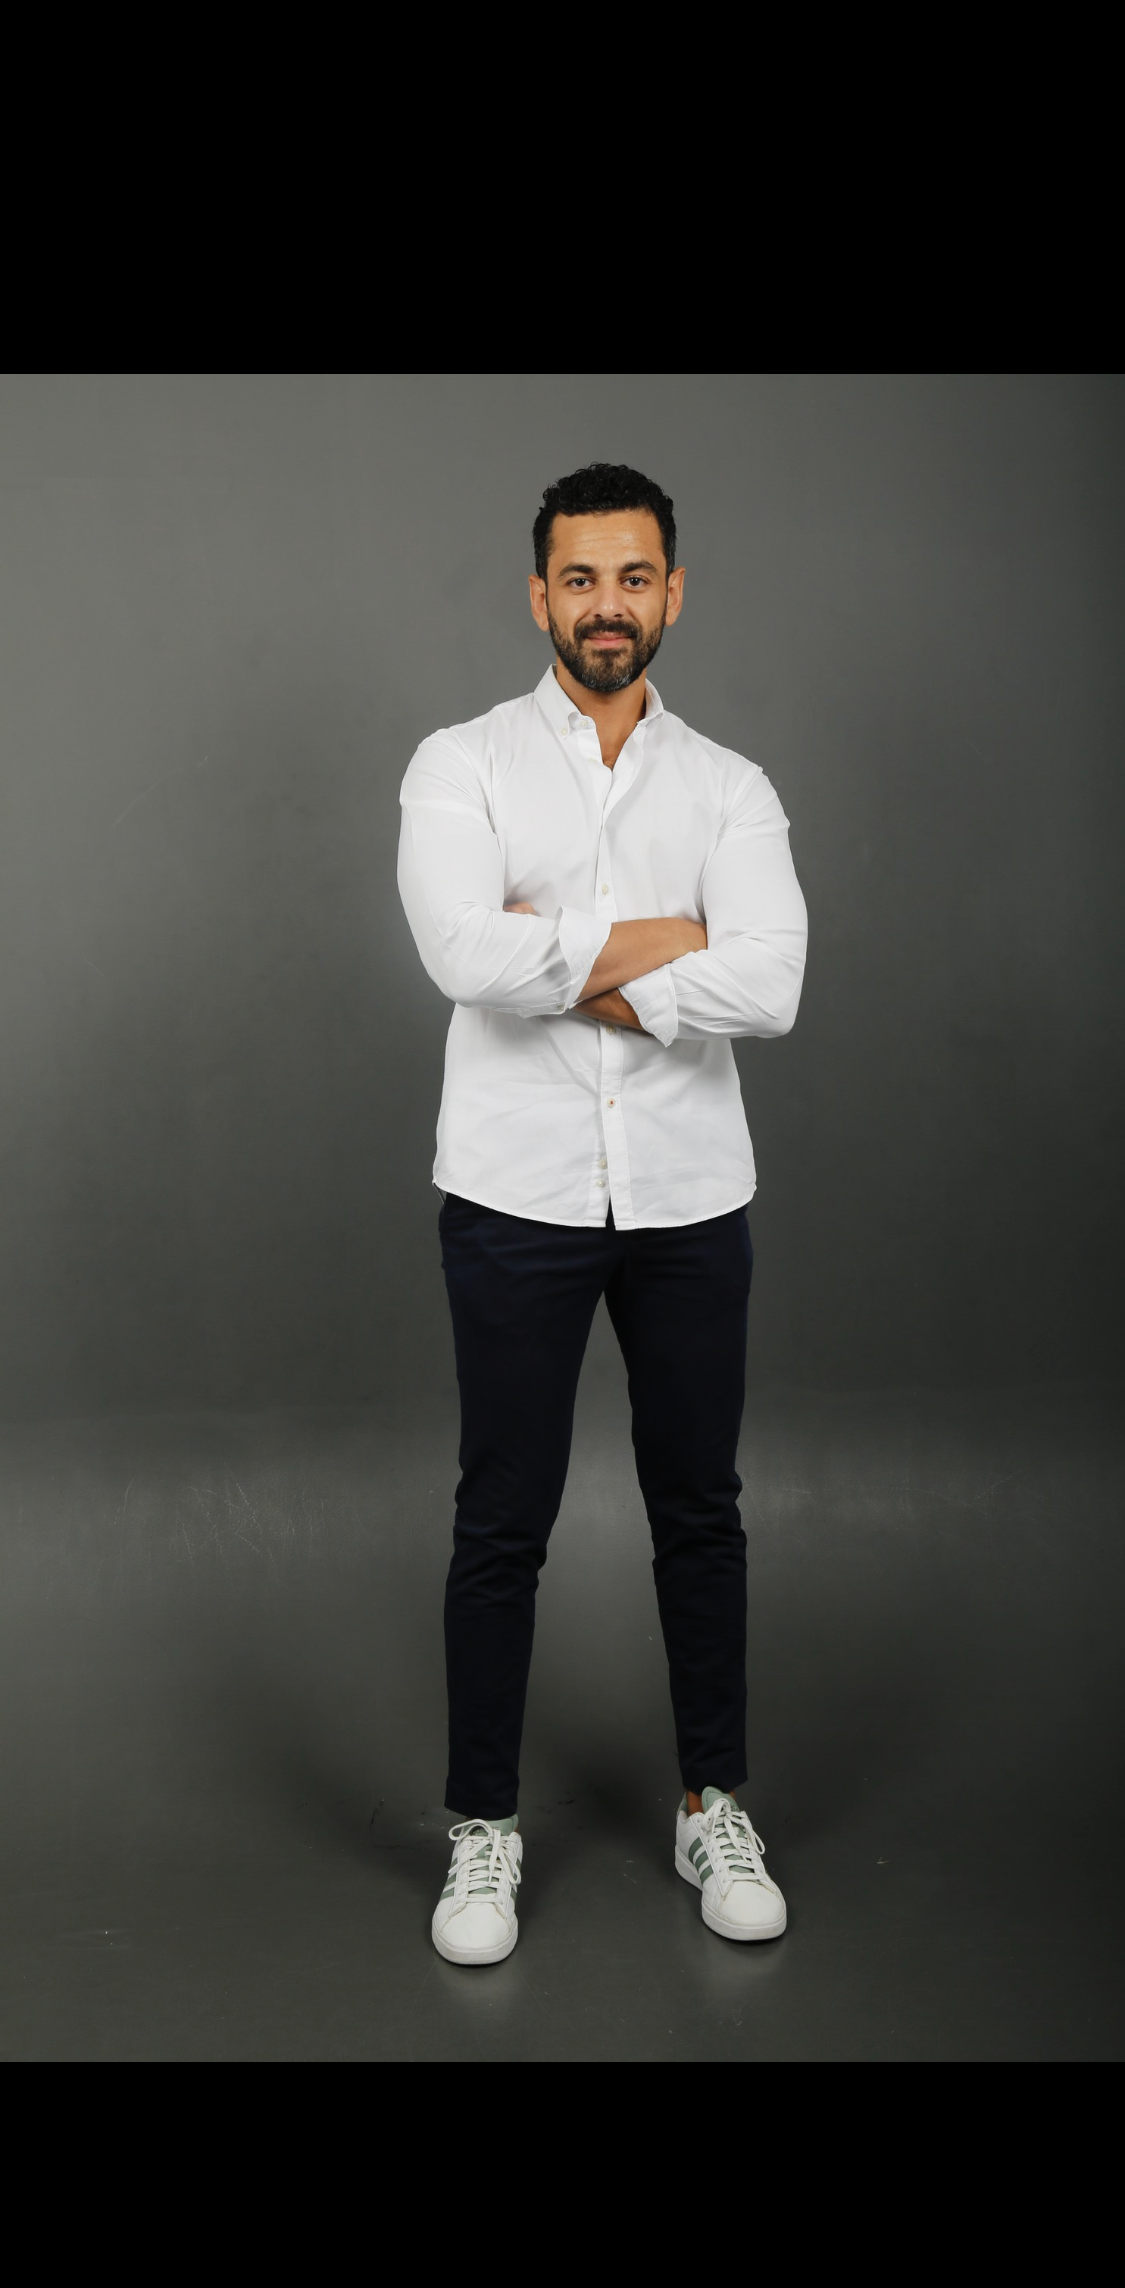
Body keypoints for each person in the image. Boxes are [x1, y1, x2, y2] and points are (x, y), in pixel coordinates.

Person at [398, 462, 808, 1965]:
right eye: (580, 579)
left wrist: (559, 956)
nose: (607, 605)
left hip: (691, 1196)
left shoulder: (732, 787)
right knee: (501, 1516)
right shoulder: (460, 763)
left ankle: (713, 1803)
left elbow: (773, 983)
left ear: (672, 592)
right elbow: (461, 953)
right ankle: (481, 1829)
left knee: (701, 1508)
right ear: (540, 597)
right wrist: (669, 944)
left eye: (634, 577)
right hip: (514, 1193)